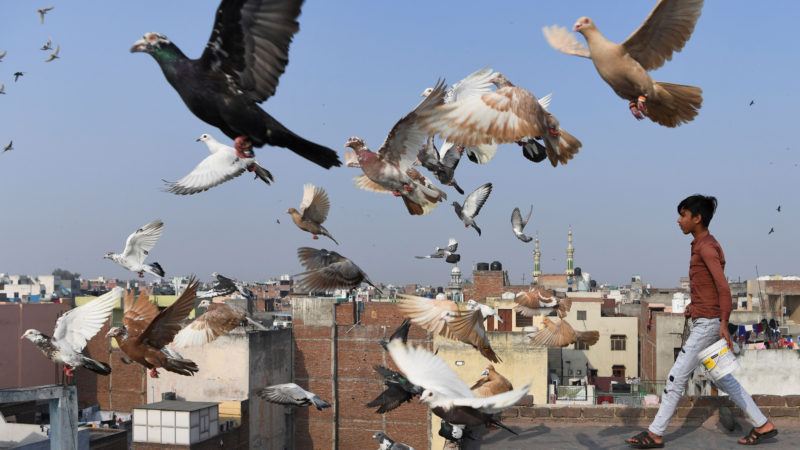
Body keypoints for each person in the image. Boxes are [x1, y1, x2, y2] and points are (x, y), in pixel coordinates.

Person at [627, 195, 778, 448]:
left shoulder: (706, 247)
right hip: (704, 318)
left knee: (676, 378)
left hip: (708, 325)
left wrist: (722, 323)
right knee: (722, 378)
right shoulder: (702, 244)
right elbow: (707, 287)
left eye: (683, 215)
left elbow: (723, 288)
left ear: (697, 218)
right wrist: (694, 306)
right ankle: (763, 424)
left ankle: (655, 433)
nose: (678, 220)